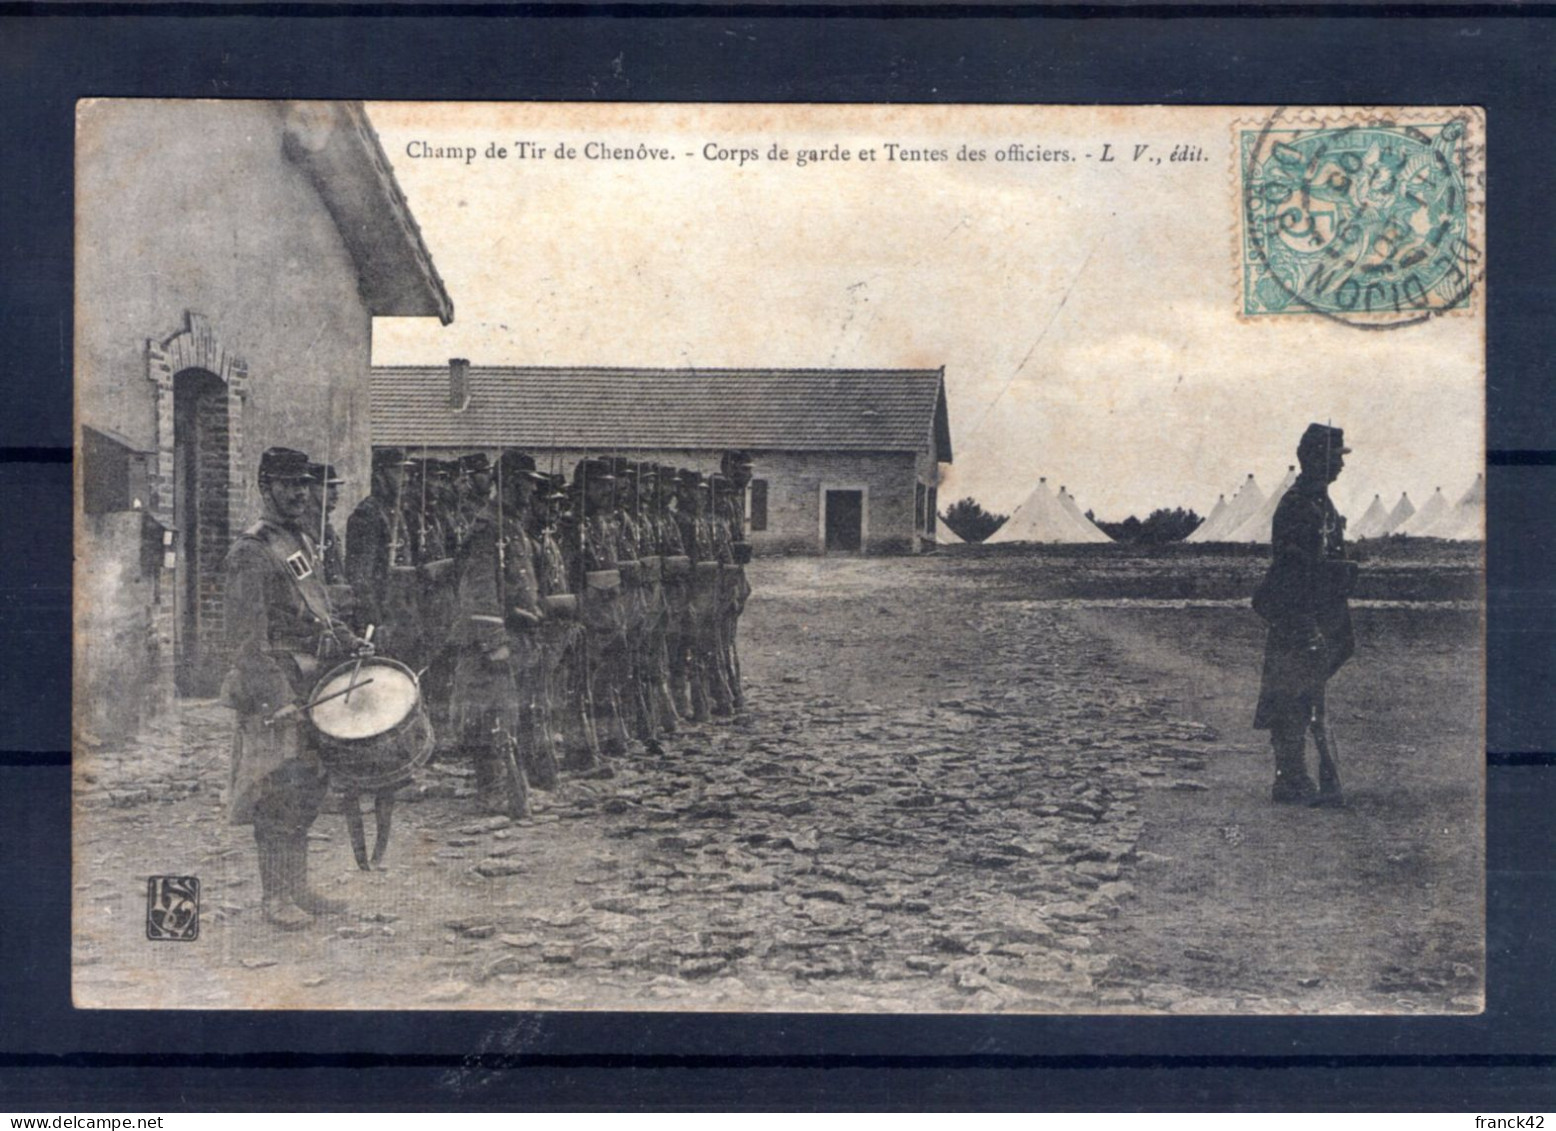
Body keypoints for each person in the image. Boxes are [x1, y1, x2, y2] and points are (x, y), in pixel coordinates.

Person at [221, 447, 372, 930]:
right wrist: (276, 698)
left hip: (309, 680)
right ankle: (275, 898)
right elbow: (244, 639)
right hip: (274, 687)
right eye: (288, 485)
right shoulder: (251, 551)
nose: (299, 493)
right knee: (276, 790)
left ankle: (298, 886)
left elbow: (316, 613)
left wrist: (346, 640)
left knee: (307, 785)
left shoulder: (299, 539)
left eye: (305, 484)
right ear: (265, 488)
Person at [1252, 423, 1358, 806]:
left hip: (1317, 611)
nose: (1340, 465)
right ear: (1314, 459)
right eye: (1334, 457)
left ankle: (1296, 777)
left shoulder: (1320, 503)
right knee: (1288, 693)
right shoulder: (1297, 504)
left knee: (1303, 693)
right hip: (1297, 612)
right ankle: (1289, 778)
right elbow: (1291, 569)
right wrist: (1305, 624)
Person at [447, 451, 531, 817]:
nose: (530, 490)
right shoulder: (486, 528)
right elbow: (478, 588)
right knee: (485, 714)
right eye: (527, 483)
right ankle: (490, 790)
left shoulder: (509, 524)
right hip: (484, 641)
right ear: (510, 483)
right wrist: (494, 641)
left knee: (506, 713)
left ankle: (507, 789)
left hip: (509, 635)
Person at [344, 448, 412, 646]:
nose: (406, 478)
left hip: (400, 615)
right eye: (399, 472)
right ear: (380, 474)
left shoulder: (395, 512)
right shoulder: (367, 515)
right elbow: (360, 578)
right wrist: (374, 622)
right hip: (381, 619)